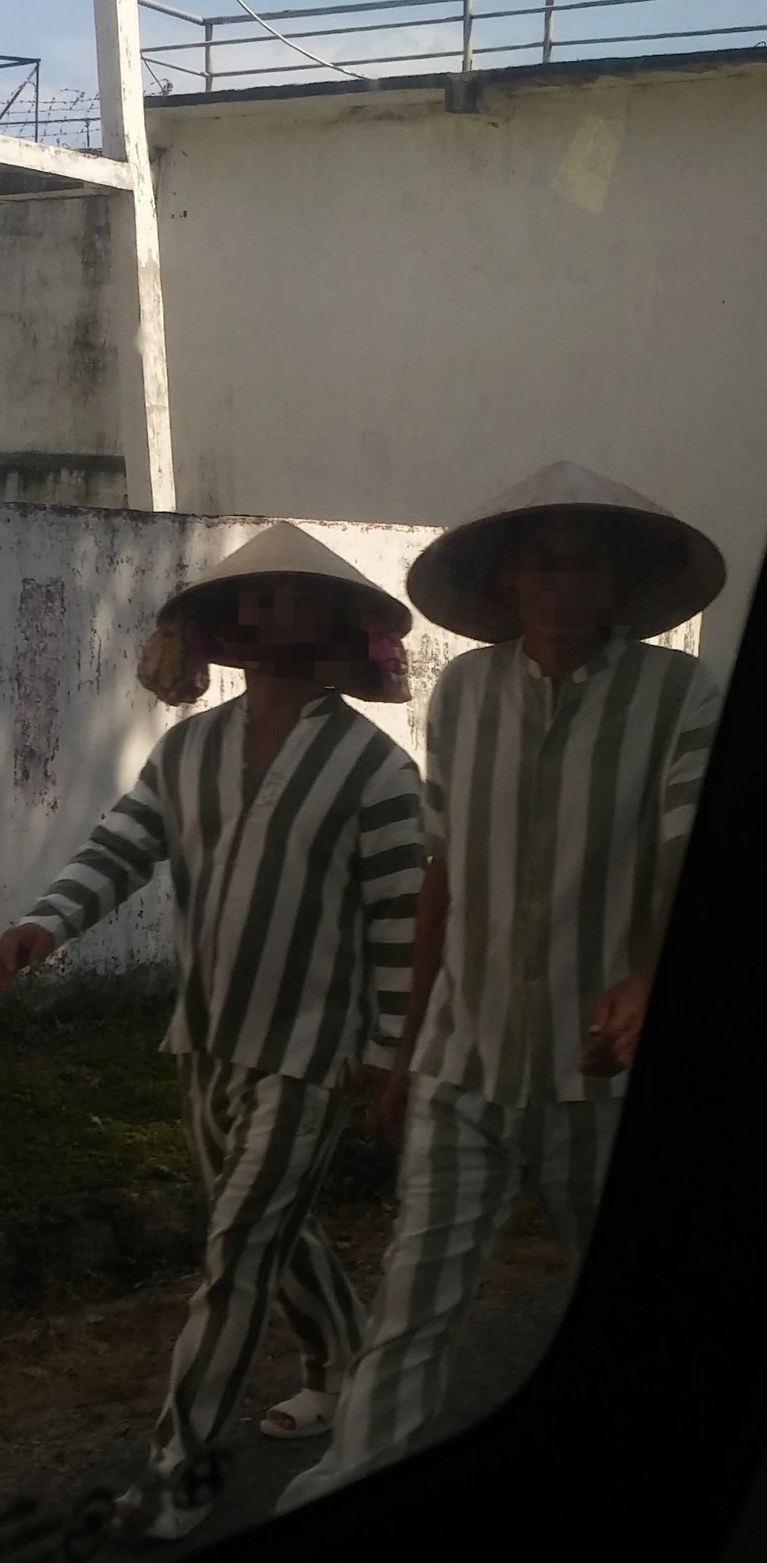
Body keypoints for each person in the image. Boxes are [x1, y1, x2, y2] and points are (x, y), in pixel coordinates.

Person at [278, 462, 726, 1516]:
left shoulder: (679, 695)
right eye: (542, 563)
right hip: (463, 1063)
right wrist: (404, 1047)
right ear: (506, 581)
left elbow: (685, 852)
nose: (562, 583)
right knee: (413, 1300)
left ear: (620, 582)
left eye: (585, 562)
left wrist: (650, 976)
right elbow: (443, 873)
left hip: (600, 1073)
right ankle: (350, 1485)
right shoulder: (463, 692)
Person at [0, 522, 424, 1543]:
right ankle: (344, 1365)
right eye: (256, 600)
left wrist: (386, 1053)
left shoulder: (375, 768)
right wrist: (46, 922)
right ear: (225, 623)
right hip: (205, 1040)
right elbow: (122, 845)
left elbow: (401, 922)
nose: (274, 617)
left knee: (236, 1252)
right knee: (264, 1228)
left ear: (338, 624)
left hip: (311, 1054)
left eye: (297, 600)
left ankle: (178, 1470)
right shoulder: (187, 750)